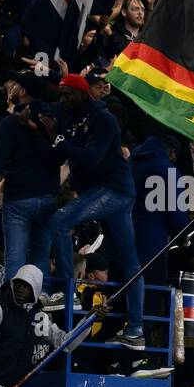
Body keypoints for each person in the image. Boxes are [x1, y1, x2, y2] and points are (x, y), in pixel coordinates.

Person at [38, 74, 145, 349]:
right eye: (61, 94)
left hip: (114, 190)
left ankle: (67, 291)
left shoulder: (104, 119)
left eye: (67, 94)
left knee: (59, 222)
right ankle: (136, 331)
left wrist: (58, 138)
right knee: (129, 262)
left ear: (82, 94)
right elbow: (47, 109)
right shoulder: (71, 114)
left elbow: (89, 159)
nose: (62, 99)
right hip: (106, 191)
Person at [0, 72, 60, 277]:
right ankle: (41, 295)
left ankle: (13, 298)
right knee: (40, 257)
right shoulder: (52, 119)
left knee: (15, 257)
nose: (10, 88)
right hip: (48, 196)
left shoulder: (10, 123)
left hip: (19, 199)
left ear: (22, 91)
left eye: (15, 85)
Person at [0, 266, 84, 387]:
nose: (20, 289)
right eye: (18, 284)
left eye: (26, 286)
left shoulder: (39, 317)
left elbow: (65, 343)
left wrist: (89, 320)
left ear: (35, 289)